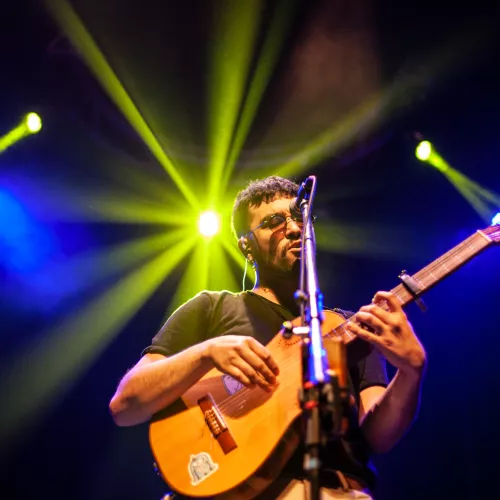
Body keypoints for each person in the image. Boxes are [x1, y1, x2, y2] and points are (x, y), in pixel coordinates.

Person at [109, 176, 427, 499]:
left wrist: (411, 371)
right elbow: (125, 404)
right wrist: (206, 352)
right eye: (274, 221)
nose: (293, 228)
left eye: (300, 218)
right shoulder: (212, 308)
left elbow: (377, 438)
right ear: (246, 245)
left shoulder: (348, 327)